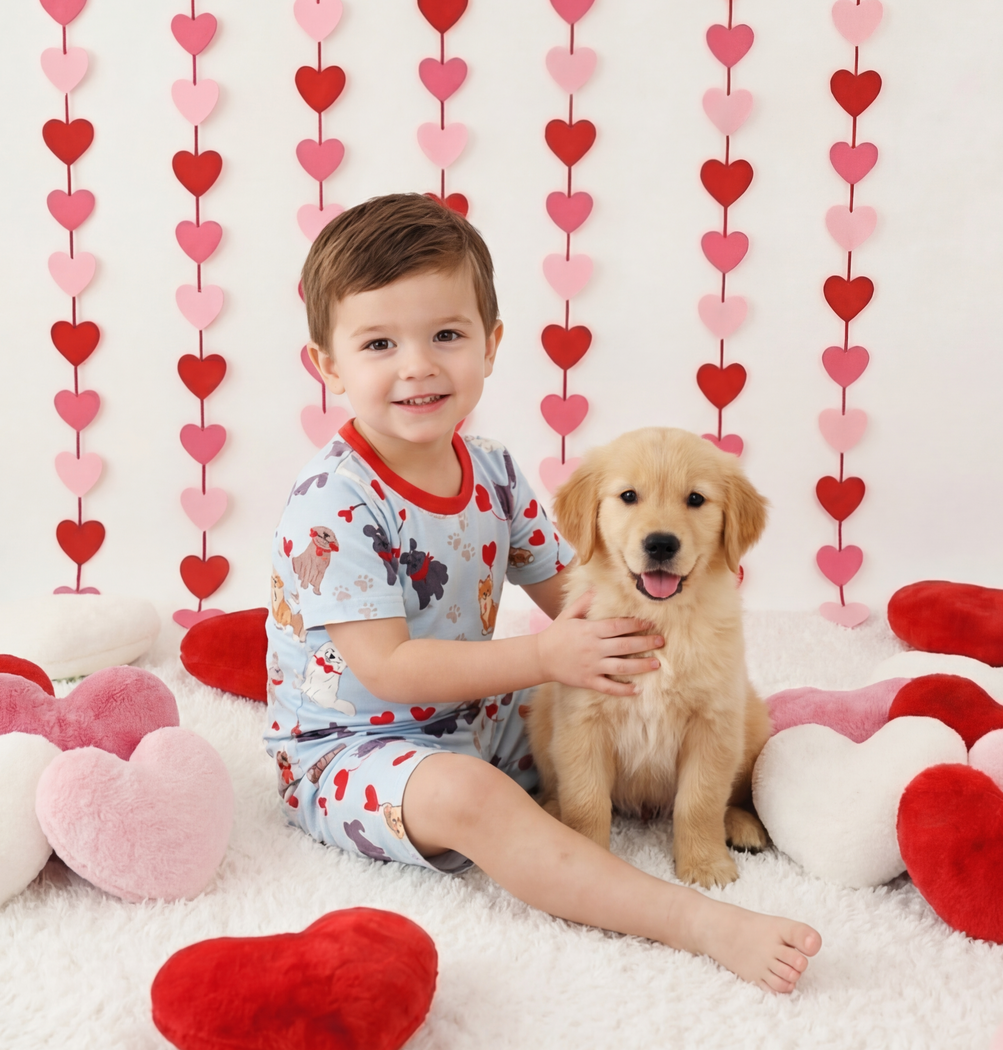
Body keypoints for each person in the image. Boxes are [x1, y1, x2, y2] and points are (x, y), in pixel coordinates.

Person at [266, 192, 821, 993]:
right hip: (354, 749)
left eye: (446, 335)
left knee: (597, 717)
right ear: (328, 364)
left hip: (478, 715)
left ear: (490, 346)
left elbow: (579, 595)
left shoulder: (491, 469)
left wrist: (663, 645)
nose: (417, 364)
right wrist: (546, 656)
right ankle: (694, 921)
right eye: (379, 342)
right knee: (478, 798)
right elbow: (387, 670)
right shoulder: (334, 502)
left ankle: (792, 781)